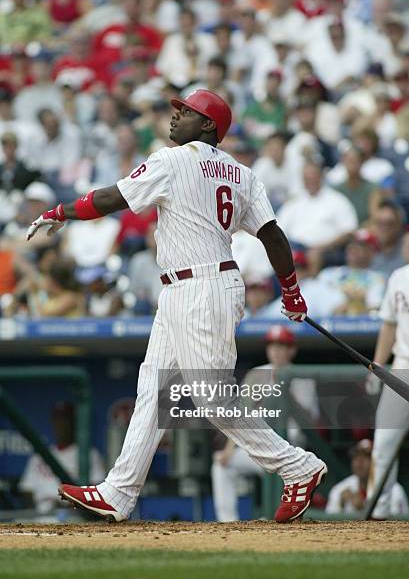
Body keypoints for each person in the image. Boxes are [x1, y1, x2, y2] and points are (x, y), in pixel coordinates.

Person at [27, 89, 327, 524]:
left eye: (186, 111)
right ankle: (119, 491)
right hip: (190, 289)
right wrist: (292, 291)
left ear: (208, 126)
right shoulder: (243, 173)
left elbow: (112, 198)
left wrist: (61, 211)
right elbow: (273, 236)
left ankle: (297, 466)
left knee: (211, 396)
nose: (175, 116)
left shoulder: (173, 160)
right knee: (153, 388)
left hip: (202, 286)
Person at [212, 325, 320, 522]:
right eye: (272, 345)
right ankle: (228, 522)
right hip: (259, 446)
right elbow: (239, 414)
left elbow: (310, 422)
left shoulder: (303, 376)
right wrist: (229, 448)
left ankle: (286, 516)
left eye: (282, 346)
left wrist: (285, 391)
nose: (276, 351)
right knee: (222, 465)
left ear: (292, 350)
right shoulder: (256, 374)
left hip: (292, 448)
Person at [365, 234, 409, 519]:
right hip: (403, 366)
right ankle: (378, 515)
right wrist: (378, 364)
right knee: (383, 443)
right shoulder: (398, 277)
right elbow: (389, 325)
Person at [19, 402, 105, 515]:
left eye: (65, 420)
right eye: (57, 420)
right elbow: (26, 490)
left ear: (74, 423)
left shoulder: (89, 454)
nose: (60, 424)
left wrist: (68, 506)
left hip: (72, 517)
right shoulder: (39, 455)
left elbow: (97, 491)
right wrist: (35, 513)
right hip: (40, 516)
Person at [326, 439, 408, 517]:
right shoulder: (340, 490)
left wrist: (363, 509)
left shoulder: (394, 490)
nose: (359, 461)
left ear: (377, 462)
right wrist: (340, 505)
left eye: (367, 456)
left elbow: (399, 527)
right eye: (356, 456)